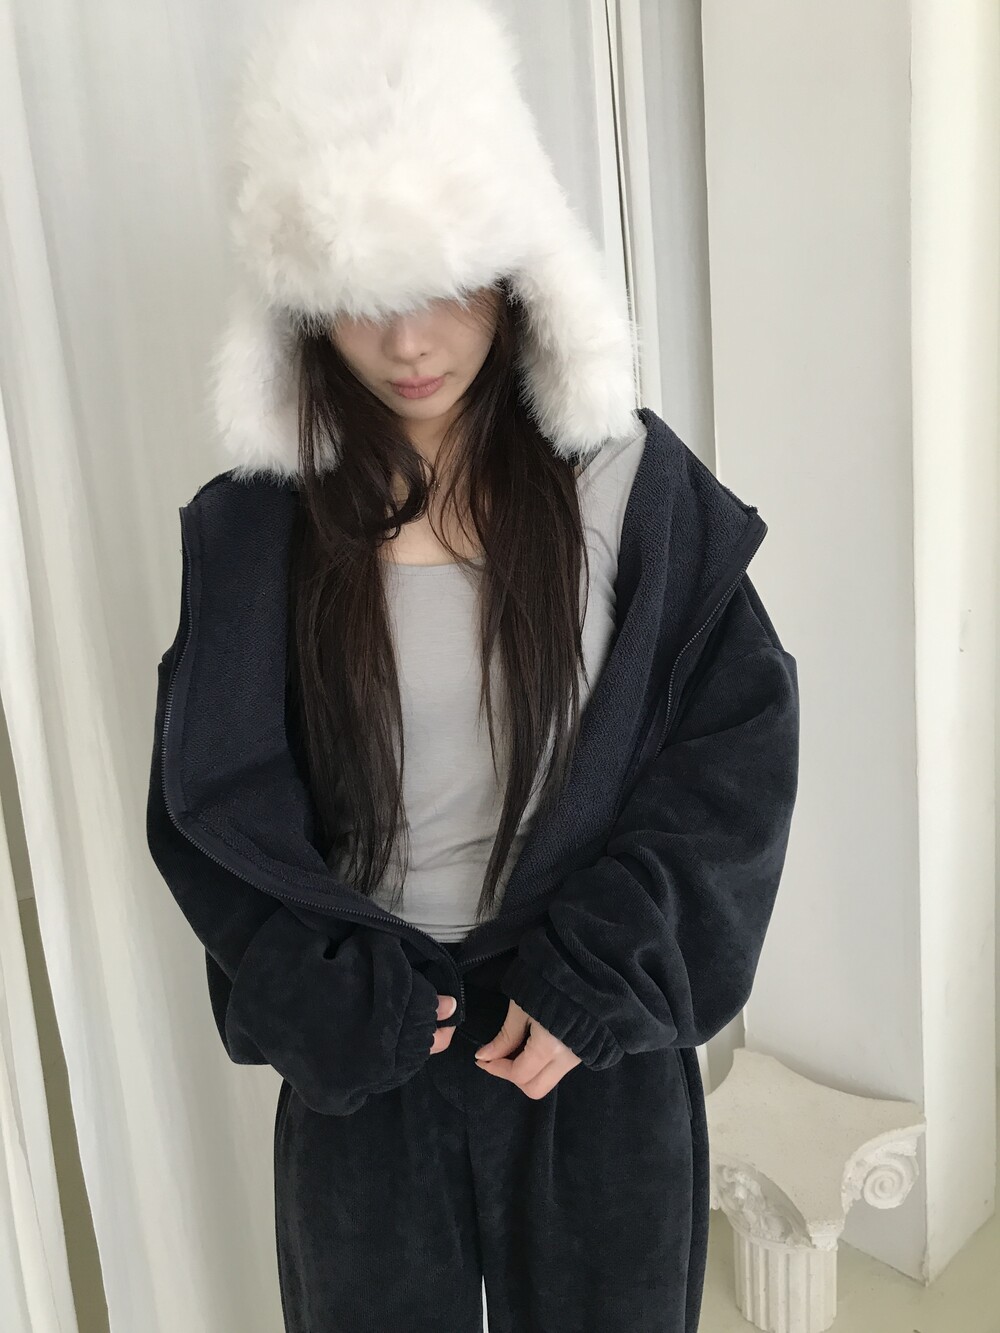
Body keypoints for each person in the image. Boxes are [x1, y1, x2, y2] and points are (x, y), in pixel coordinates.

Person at [145, 2, 801, 1330]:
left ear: (516, 262)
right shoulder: (258, 530)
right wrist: (325, 998)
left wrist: (603, 976)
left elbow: (732, 756)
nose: (409, 345)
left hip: (586, 1046)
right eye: (364, 299)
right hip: (368, 1054)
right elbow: (209, 811)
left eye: (444, 282)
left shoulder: (627, 490)